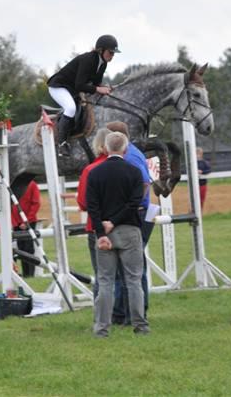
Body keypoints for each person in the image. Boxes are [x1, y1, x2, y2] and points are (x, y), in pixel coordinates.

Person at [86, 131, 149, 337]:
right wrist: (115, 221)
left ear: (105, 147)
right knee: (133, 280)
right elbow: (134, 204)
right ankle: (140, 325)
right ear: (125, 148)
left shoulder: (95, 173)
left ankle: (101, 328)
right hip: (129, 230)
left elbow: (92, 206)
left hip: (104, 232)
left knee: (105, 281)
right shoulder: (133, 172)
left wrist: (101, 229)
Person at [106, 121, 153, 325]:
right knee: (132, 266)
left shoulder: (131, 157)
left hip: (139, 213)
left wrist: (129, 207)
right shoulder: (132, 152)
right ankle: (128, 311)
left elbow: (143, 183)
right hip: (142, 211)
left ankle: (135, 311)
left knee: (133, 268)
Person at [47, 35, 119, 156]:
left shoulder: (103, 63)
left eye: (113, 53)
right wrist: (98, 89)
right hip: (58, 86)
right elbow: (80, 85)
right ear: (101, 50)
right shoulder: (88, 59)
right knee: (70, 108)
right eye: (110, 52)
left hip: (71, 89)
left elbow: (96, 84)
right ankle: (61, 144)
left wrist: (106, 88)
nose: (112, 56)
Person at [76, 128, 112, 298]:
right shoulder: (129, 166)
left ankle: (102, 316)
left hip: (97, 227)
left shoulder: (90, 170)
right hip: (124, 225)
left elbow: (83, 203)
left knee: (101, 275)